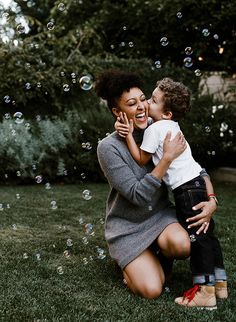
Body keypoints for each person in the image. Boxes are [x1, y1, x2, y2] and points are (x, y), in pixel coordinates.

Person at [95, 69, 217, 301]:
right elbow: (137, 195)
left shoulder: (161, 126)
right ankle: (133, 264)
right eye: (131, 104)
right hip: (128, 227)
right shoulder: (108, 148)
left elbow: (195, 168)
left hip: (159, 216)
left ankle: (159, 254)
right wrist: (166, 159)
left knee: (183, 244)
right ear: (116, 111)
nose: (142, 107)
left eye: (144, 99)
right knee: (152, 290)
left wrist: (211, 199)